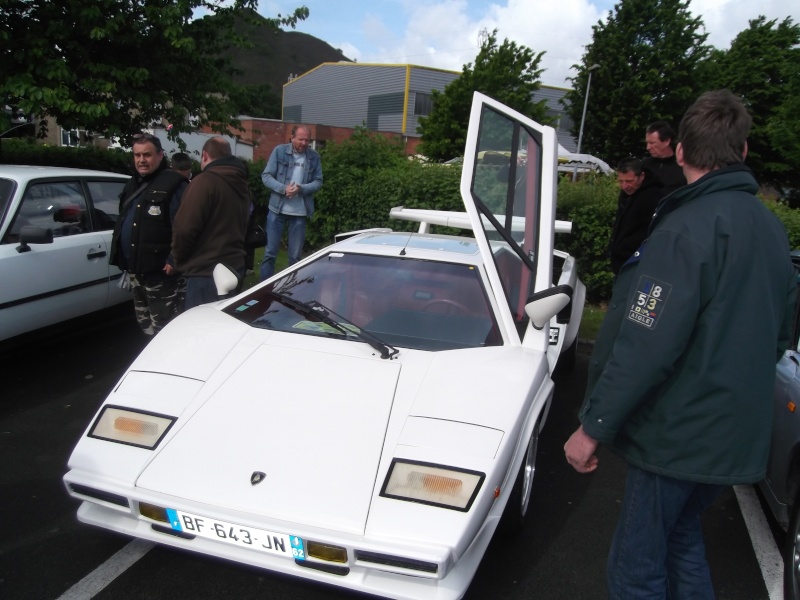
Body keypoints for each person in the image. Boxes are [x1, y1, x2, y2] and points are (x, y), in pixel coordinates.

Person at [564, 90, 796, 599]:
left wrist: (592, 426)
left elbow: (646, 339)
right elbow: (780, 335)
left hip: (678, 438)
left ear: (682, 152)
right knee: (683, 539)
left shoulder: (685, 228)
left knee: (636, 569)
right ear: (745, 151)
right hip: (735, 434)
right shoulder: (772, 231)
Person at [110, 133, 188, 335]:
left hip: (162, 275)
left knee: (167, 329)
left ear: (160, 155)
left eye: (147, 155)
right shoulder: (133, 183)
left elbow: (185, 226)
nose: (141, 160)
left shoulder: (174, 184)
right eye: (137, 155)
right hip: (137, 271)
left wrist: (173, 259)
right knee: (146, 327)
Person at [172, 137, 250, 310]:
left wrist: (179, 259)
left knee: (201, 330)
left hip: (206, 272)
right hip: (234, 266)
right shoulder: (241, 182)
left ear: (205, 155)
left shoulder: (204, 182)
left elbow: (184, 228)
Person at [259, 125, 323, 280]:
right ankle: (263, 288)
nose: (304, 143)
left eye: (307, 140)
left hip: (300, 213)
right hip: (277, 210)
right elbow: (266, 176)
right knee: (270, 253)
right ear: (292, 138)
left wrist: (300, 188)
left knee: (295, 257)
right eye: (300, 139)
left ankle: (291, 289)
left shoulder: (314, 157)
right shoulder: (279, 151)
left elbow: (318, 182)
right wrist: (283, 189)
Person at [608, 157, 663, 275]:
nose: (624, 186)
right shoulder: (627, 193)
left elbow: (649, 231)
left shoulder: (653, 196)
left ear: (641, 177)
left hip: (636, 261)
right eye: (621, 181)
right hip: (621, 259)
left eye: (629, 181)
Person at [642, 120, 686, 195]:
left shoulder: (683, 166)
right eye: (647, 143)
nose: (648, 147)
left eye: (652, 143)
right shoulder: (644, 166)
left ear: (667, 141)